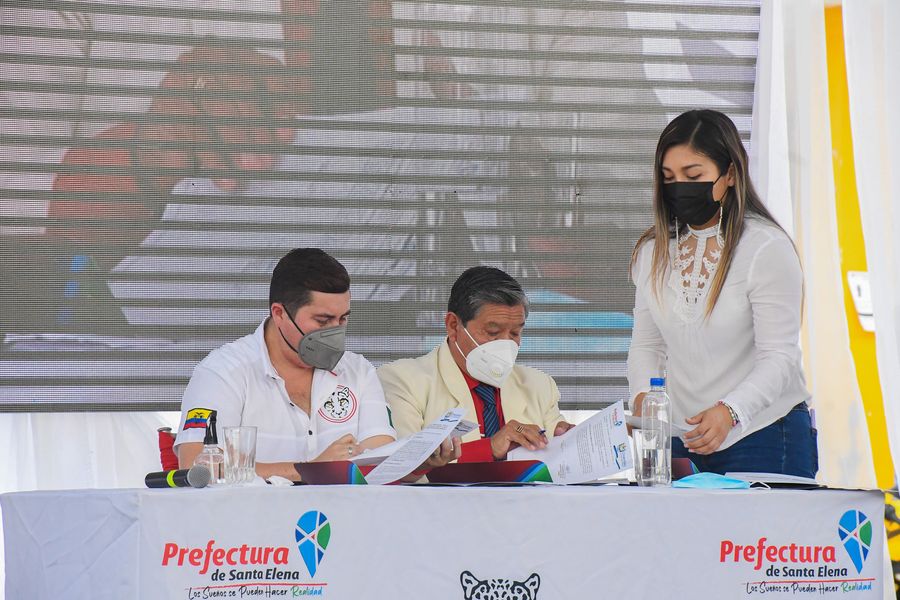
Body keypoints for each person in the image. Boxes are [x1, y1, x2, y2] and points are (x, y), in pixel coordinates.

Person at [627, 109, 818, 477]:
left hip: (763, 432)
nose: (679, 187)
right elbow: (646, 345)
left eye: (693, 176)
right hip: (682, 437)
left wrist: (730, 411)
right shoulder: (653, 252)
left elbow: (779, 356)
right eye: (669, 178)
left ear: (730, 174)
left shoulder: (765, 248)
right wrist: (643, 401)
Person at [174, 248, 411, 481]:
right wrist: (311, 470)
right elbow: (197, 467)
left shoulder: (358, 371)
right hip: (254, 508)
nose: (335, 332)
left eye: (343, 319)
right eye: (323, 321)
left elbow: (379, 460)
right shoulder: (221, 372)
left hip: (347, 507)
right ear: (279, 314)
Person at [378, 266, 575, 462]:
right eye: (492, 332)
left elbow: (555, 462)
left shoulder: (540, 386)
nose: (506, 344)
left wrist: (569, 445)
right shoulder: (403, 381)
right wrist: (488, 449)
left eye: (515, 333)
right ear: (453, 326)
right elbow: (401, 467)